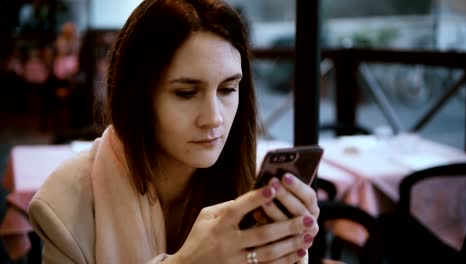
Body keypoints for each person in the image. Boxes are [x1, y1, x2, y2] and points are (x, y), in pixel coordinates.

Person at [28, 0, 320, 263]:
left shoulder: (253, 187)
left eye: (228, 89)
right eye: (186, 93)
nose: (214, 118)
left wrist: (286, 252)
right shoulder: (66, 205)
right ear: (138, 96)